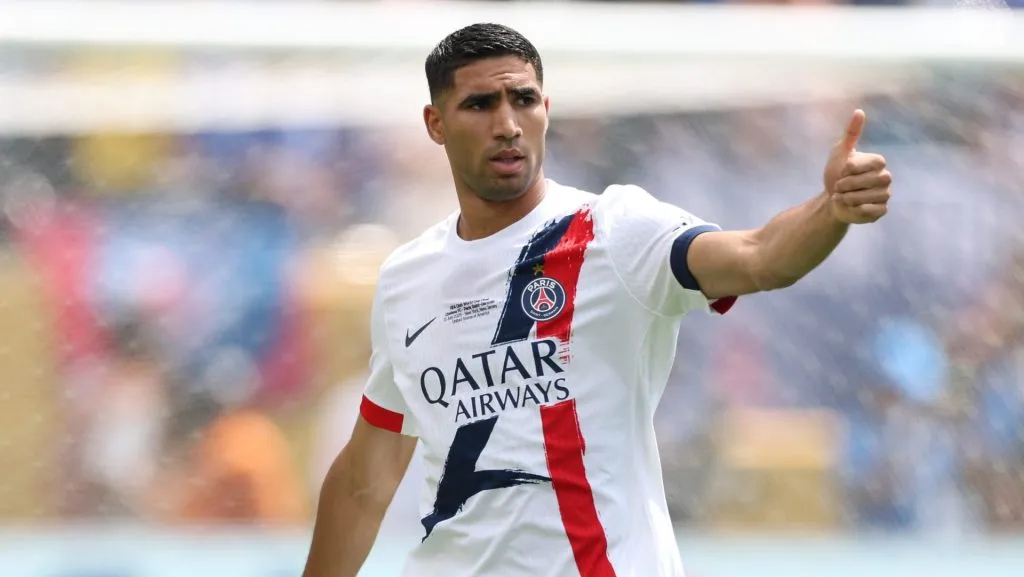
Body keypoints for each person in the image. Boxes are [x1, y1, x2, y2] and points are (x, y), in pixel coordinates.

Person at [302, 23, 892, 577]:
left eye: (524, 100)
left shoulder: (614, 230)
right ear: (435, 123)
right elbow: (365, 478)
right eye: (480, 105)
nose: (507, 123)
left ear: (546, 110)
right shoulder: (408, 278)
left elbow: (761, 257)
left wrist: (831, 209)